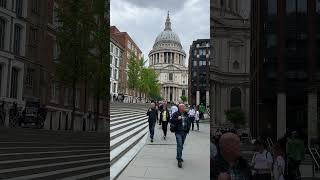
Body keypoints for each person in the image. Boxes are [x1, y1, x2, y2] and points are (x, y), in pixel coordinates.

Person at [170, 104, 191, 168]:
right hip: (178, 132)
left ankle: (179, 156)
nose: (185, 108)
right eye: (183, 107)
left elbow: (188, 121)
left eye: (184, 107)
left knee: (181, 145)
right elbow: (171, 121)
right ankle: (179, 160)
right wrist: (177, 119)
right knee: (179, 144)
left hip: (184, 132)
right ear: (180, 108)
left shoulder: (186, 113)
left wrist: (188, 129)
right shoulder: (176, 114)